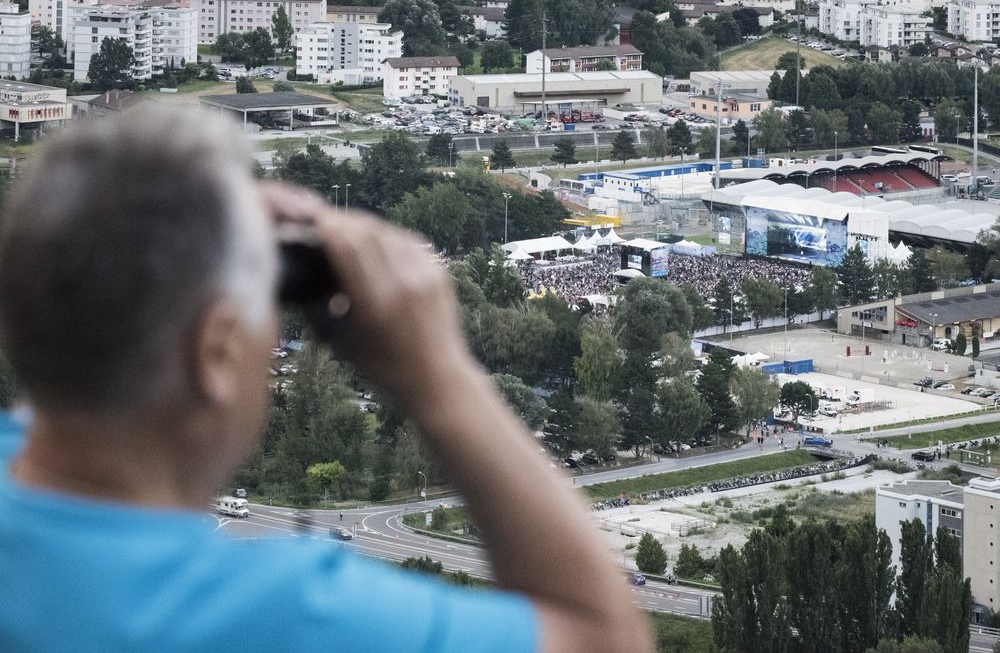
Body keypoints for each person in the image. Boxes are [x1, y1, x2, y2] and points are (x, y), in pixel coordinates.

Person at [0, 108, 651, 652]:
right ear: (217, 352)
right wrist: (437, 374)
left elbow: (73, 322)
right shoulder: (276, 616)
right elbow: (604, 635)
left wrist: (151, 222)